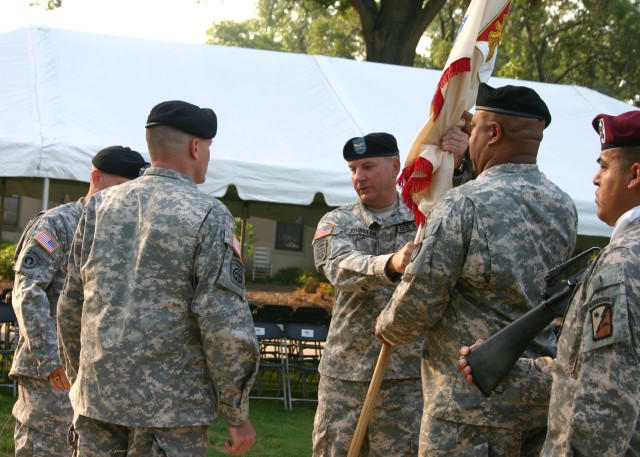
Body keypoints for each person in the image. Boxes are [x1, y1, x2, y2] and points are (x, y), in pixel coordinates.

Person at [375, 83, 579, 456]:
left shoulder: (462, 204)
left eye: (474, 130)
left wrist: (387, 325)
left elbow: (421, 301)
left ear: (494, 132)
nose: (470, 141)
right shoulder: (564, 206)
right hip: (535, 398)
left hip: (467, 402)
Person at [56, 100, 260, 456]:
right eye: (209, 146)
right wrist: (236, 412)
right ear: (196, 146)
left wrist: (81, 379)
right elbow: (224, 325)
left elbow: (71, 303)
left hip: (97, 401)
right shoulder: (209, 214)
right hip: (170, 413)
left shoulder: (99, 208)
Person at [457, 109, 640, 456]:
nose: (595, 179)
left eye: (604, 165)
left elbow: (604, 399)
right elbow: (585, 373)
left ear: (634, 174)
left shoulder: (621, 262)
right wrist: (502, 369)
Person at [311, 128, 469, 457]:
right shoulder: (337, 221)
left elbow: (467, 208)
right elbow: (339, 266)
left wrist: (462, 163)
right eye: (353, 169)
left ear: (396, 166)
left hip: (405, 377)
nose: (359, 177)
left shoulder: (423, 218)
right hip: (346, 374)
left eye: (368, 167)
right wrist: (390, 264)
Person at [9, 145, 148, 456]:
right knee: (46, 448)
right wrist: (49, 358)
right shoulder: (58, 225)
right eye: (121, 188)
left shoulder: (127, 235)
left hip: (98, 373)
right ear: (96, 178)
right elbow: (27, 291)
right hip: (52, 373)